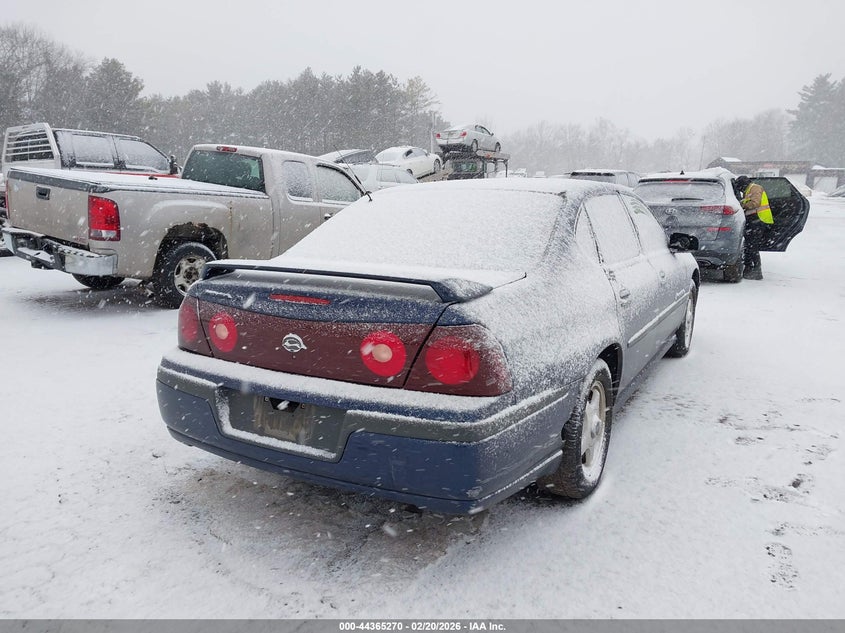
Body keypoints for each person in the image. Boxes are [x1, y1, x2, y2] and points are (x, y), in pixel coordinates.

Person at [734, 175, 773, 280]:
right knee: (750, 246)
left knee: (752, 246)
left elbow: (755, 203)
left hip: (759, 220)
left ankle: (756, 271)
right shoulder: (749, 190)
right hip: (754, 220)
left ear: (743, 185)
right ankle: (751, 269)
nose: (740, 190)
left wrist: (740, 205)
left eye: (740, 187)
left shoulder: (755, 188)